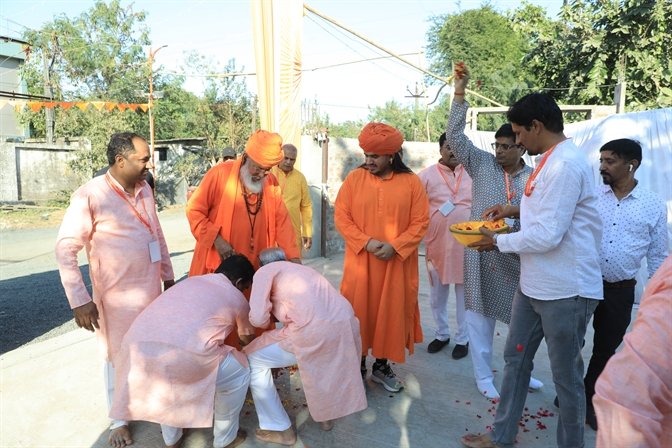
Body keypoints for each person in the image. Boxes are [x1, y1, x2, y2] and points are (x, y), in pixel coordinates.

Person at [461, 90, 603, 448]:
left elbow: (547, 235)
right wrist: (514, 210)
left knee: (566, 378)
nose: (518, 141)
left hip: (566, 290)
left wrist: (496, 241)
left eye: (519, 133)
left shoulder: (565, 165)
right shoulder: (549, 160)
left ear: (536, 126)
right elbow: (548, 212)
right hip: (534, 284)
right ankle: (501, 436)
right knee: (516, 360)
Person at [55, 132, 175, 448]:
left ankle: (160, 409)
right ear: (121, 161)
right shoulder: (90, 195)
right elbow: (66, 248)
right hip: (115, 298)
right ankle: (119, 420)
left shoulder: (145, 189)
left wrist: (168, 277)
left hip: (151, 293)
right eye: (144, 159)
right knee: (116, 357)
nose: (149, 165)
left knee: (155, 351)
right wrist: (79, 300)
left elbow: (157, 234)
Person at [445, 75, 543, 399]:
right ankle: (484, 376)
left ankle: (522, 370)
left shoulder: (534, 177)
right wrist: (459, 93)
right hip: (480, 254)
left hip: (517, 255)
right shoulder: (481, 164)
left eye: (506, 146)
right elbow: (455, 136)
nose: (499, 151)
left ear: (521, 147)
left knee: (522, 322)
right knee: (479, 318)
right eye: (496, 146)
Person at [110, 255, 256, 448]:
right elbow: (246, 340)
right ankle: (225, 439)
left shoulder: (190, 282)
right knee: (240, 372)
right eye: (245, 287)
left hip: (134, 351)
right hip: (180, 358)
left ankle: (172, 440)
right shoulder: (236, 296)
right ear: (238, 282)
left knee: (166, 380)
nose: (243, 292)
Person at [580, 138, 668, 430]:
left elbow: (658, 255)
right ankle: (571, 392)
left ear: (632, 165)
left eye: (610, 161)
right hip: (583, 284)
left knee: (605, 349)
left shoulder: (653, 205)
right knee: (571, 342)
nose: (602, 166)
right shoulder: (592, 196)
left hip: (620, 290)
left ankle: (589, 398)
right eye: (601, 160)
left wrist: (657, 299)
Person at [334, 122, 429, 393]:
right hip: (361, 264)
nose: (368, 161)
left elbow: (421, 221)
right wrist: (366, 242)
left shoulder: (411, 183)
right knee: (358, 313)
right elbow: (342, 216)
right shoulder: (355, 179)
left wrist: (396, 246)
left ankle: (381, 366)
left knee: (391, 314)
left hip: (395, 265)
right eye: (366, 155)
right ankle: (358, 364)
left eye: (375, 156)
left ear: (392, 155)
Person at [244, 248, 367, 445]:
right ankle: (326, 417)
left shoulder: (264, 272)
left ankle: (282, 430)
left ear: (261, 264)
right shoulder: (302, 269)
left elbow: (258, 319)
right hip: (346, 326)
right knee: (320, 361)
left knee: (252, 360)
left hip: (313, 333)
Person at [187, 129, 300, 275]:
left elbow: (283, 224)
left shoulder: (271, 182)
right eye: (258, 168)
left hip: (255, 267)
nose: (261, 175)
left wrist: (294, 260)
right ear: (246, 157)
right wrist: (217, 240)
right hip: (220, 265)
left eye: (266, 170)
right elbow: (194, 210)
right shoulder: (219, 174)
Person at [593, 255, 671, 448]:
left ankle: (587, 403)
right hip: (589, 284)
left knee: (605, 349)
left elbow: (657, 259)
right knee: (575, 344)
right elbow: (626, 396)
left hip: (621, 290)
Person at [417, 134, 472, 358]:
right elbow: (414, 206)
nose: (453, 151)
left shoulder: (473, 173)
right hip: (437, 245)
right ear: (440, 150)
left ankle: (463, 339)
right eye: (448, 146)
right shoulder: (425, 176)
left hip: (465, 246)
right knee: (437, 295)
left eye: (457, 146)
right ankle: (441, 334)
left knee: (463, 296)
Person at [271, 143, 313, 253]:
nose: (288, 162)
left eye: (292, 159)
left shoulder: (300, 178)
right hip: (271, 231)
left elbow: (306, 206)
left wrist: (307, 232)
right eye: (286, 158)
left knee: (293, 262)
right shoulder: (269, 174)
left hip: (292, 231)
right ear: (280, 156)